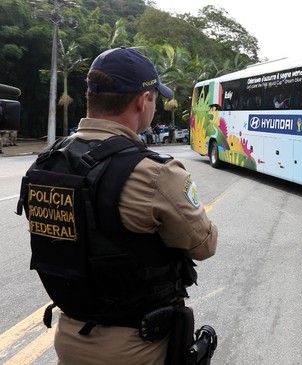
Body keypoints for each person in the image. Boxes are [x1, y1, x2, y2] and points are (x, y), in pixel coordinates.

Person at [16, 46, 218, 365]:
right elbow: (204, 245)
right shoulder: (155, 173)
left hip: (69, 338)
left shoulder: (47, 163)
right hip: (138, 348)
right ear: (143, 101)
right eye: (154, 98)